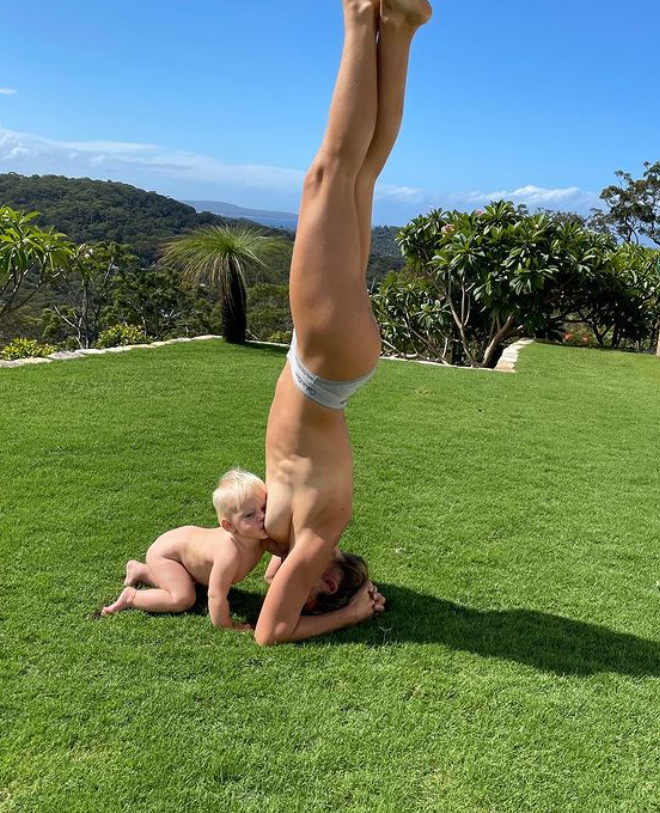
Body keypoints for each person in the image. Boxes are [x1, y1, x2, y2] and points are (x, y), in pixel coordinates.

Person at [256, 0, 432, 645]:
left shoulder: (300, 532)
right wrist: (350, 615)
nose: (274, 573)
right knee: (327, 177)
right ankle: (362, 18)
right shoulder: (314, 537)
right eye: (300, 581)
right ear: (326, 581)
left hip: (330, 363)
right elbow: (269, 633)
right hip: (323, 365)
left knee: (358, 176)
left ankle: (402, 27)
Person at [100, 469, 270, 627]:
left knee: (186, 583)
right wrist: (228, 626)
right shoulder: (229, 554)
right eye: (249, 515)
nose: (262, 516)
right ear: (229, 526)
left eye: (264, 507)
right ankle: (132, 597)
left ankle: (140, 571)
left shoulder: (261, 536)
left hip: (184, 546)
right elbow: (215, 595)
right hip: (167, 555)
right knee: (183, 598)